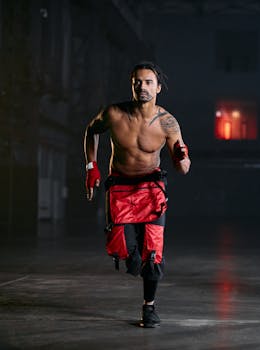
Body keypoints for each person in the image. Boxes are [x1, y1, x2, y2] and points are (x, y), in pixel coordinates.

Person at [84, 61, 190, 327]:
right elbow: (91, 131)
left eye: (148, 82)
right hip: (120, 188)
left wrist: (181, 157)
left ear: (158, 88)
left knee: (153, 253)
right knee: (127, 253)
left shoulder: (167, 122)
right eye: (137, 82)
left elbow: (183, 168)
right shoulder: (114, 113)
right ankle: (136, 262)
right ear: (132, 85)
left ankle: (149, 308)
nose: (142, 87)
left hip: (151, 190)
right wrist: (91, 167)